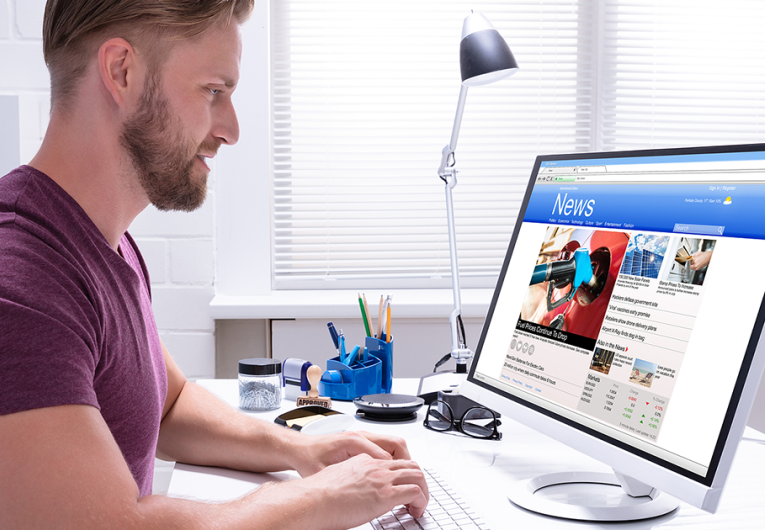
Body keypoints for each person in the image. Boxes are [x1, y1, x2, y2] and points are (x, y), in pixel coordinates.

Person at [0, 1, 428, 528]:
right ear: (121, 72)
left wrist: (303, 451)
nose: (231, 128)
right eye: (213, 92)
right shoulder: (20, 282)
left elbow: (168, 404)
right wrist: (325, 498)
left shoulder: (103, 244)